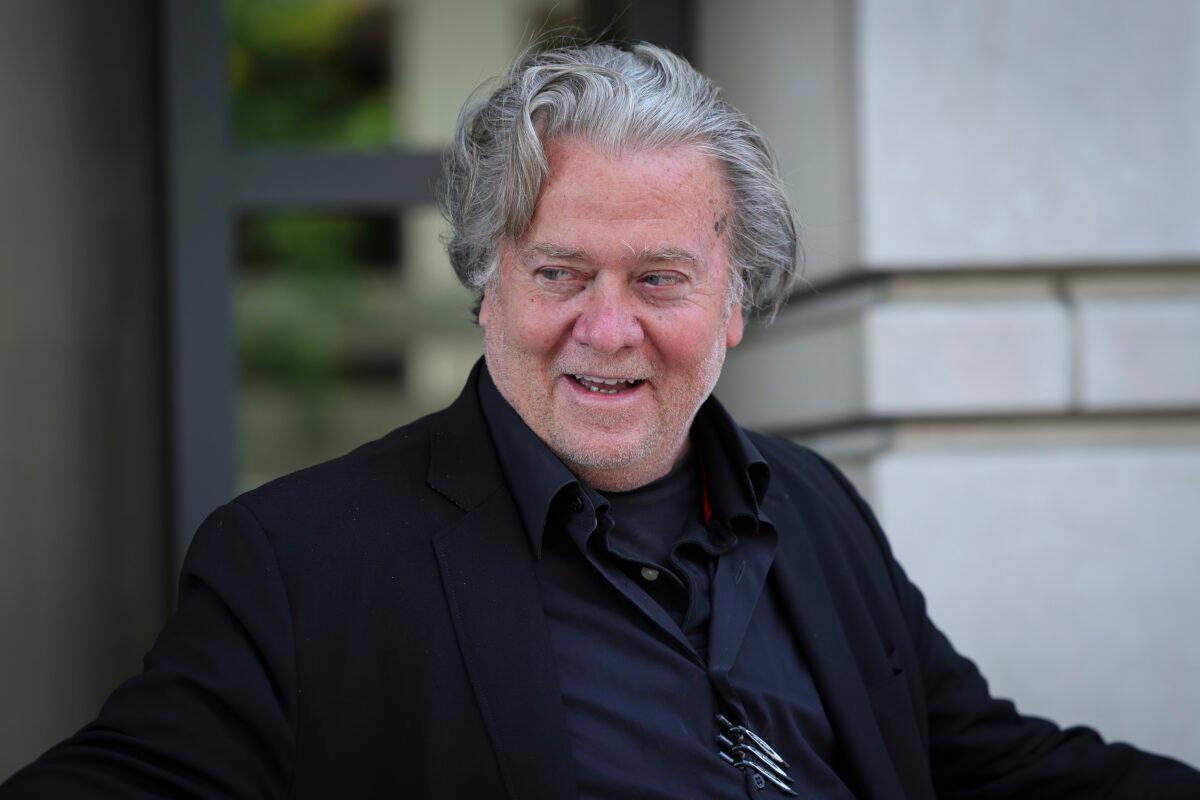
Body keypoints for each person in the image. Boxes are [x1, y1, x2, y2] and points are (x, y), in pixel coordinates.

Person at [3, 41, 1198, 800]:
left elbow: (984, 759)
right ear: (486, 288)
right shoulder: (300, 561)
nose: (608, 327)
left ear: (736, 304)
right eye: (561, 272)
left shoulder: (817, 507)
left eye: (661, 279)